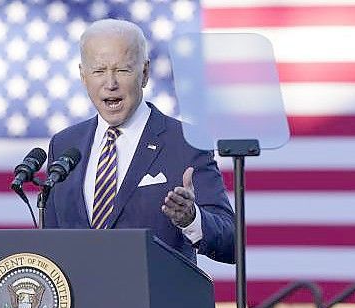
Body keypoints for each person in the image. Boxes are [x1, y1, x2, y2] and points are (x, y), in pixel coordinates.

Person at [43, 19, 234, 264]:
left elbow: (231, 241)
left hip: (155, 299)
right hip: (82, 300)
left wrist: (191, 219)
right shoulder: (65, 145)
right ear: (83, 76)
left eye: (122, 70)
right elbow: (50, 242)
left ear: (144, 73)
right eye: (99, 71)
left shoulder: (186, 142)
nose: (110, 83)